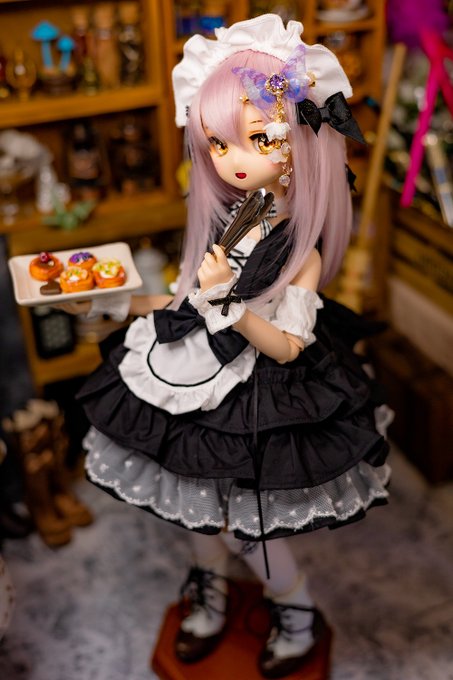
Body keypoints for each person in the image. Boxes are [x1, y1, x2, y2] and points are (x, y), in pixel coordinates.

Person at [64, 15, 391, 678]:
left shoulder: (300, 252)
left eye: (257, 138)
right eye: (217, 142)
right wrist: (112, 305)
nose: (232, 158)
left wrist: (230, 306)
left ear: (300, 143)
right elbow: (188, 299)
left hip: (259, 391)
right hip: (196, 369)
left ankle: (296, 614)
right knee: (197, 514)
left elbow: (287, 348)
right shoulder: (234, 217)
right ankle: (209, 599)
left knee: (252, 528)